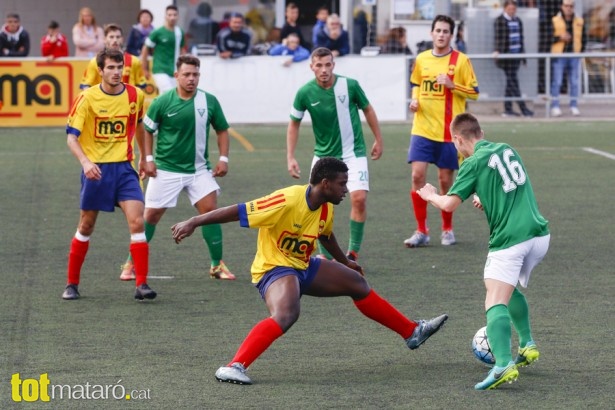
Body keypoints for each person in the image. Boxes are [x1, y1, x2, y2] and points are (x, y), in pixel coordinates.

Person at [171, 157, 448, 385]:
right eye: (342, 184)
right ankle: (234, 366)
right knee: (287, 313)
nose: (346, 190)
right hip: (274, 268)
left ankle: (412, 332)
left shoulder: (326, 207)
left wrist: (345, 262)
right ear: (325, 183)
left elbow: (325, 236)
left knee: (356, 283)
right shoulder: (286, 200)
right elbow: (237, 211)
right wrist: (194, 221)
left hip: (303, 266)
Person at [416, 112, 549, 390]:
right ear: (482, 132)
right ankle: (526, 344)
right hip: (539, 235)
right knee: (507, 288)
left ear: (458, 139)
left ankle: (502, 365)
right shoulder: (506, 149)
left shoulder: (471, 162)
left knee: (494, 300)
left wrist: (429, 195)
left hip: (511, 240)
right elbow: (509, 187)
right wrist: (483, 198)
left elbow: (449, 204)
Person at [121, 54, 235, 281]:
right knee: (150, 216)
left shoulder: (209, 101)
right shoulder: (162, 102)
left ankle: (216, 265)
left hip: (198, 170)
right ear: (176, 76)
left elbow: (222, 129)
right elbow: (147, 130)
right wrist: (148, 158)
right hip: (165, 170)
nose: (191, 79)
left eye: (195, 74)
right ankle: (131, 263)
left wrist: (224, 158)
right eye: (186, 74)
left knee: (211, 212)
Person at [63, 49, 156, 301]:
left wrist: (146, 158)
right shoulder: (87, 98)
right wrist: (85, 162)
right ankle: (71, 284)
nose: (117, 72)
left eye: (120, 68)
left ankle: (142, 285)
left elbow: (138, 126)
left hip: (125, 169)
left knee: (138, 222)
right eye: (111, 68)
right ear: (100, 70)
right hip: (97, 171)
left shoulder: (135, 94)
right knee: (86, 225)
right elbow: (72, 137)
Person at [286, 47, 383, 261]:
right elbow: (294, 124)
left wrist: (378, 138)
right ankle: (325, 255)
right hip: (323, 157)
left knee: (358, 199)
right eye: (319, 65)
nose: (323, 69)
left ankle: (352, 253)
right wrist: (290, 157)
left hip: (353, 153)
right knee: (319, 205)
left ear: (333, 65)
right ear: (312, 67)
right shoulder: (304, 93)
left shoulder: (350, 85)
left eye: (327, 64)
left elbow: (367, 109)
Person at [404, 15, 479, 249]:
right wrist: (414, 101)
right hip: (422, 128)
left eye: (446, 31)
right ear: (431, 33)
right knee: (417, 176)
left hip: (448, 133)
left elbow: (475, 92)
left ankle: (447, 229)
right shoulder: (422, 59)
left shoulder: (461, 60)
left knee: (445, 182)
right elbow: (416, 84)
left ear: (451, 35)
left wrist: (452, 85)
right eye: (438, 30)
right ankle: (421, 230)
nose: (441, 34)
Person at [494, 0, 534, 118]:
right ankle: (523, 109)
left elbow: (521, 40)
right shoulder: (500, 21)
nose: (512, 11)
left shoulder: (518, 20)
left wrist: (523, 58)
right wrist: (497, 51)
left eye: (513, 9)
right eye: (510, 9)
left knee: (510, 83)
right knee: (513, 82)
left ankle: (508, 110)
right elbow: (498, 37)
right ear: (505, 8)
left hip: (516, 56)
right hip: (506, 57)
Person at [80, 24, 146, 90]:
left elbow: (141, 84)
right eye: (111, 37)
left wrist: (133, 97)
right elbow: (86, 85)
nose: (115, 40)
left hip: (126, 100)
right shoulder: (95, 62)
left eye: (118, 37)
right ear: (105, 39)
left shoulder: (134, 61)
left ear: (122, 39)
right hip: (103, 100)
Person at [550, 0, 586, 117]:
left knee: (574, 82)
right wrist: (560, 38)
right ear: (562, 6)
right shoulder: (555, 20)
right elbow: (547, 38)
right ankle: (555, 106)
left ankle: (574, 105)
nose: (569, 8)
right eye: (566, 6)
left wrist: (580, 52)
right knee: (557, 82)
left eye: (571, 6)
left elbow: (583, 38)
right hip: (559, 55)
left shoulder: (579, 21)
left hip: (574, 55)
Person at [141, 5, 186, 94]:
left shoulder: (179, 32)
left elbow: (182, 51)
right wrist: (145, 69)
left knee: (173, 96)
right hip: (159, 70)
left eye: (174, 15)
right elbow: (145, 49)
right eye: (169, 15)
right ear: (165, 16)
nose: (172, 17)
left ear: (178, 16)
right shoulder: (157, 32)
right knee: (169, 93)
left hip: (174, 71)